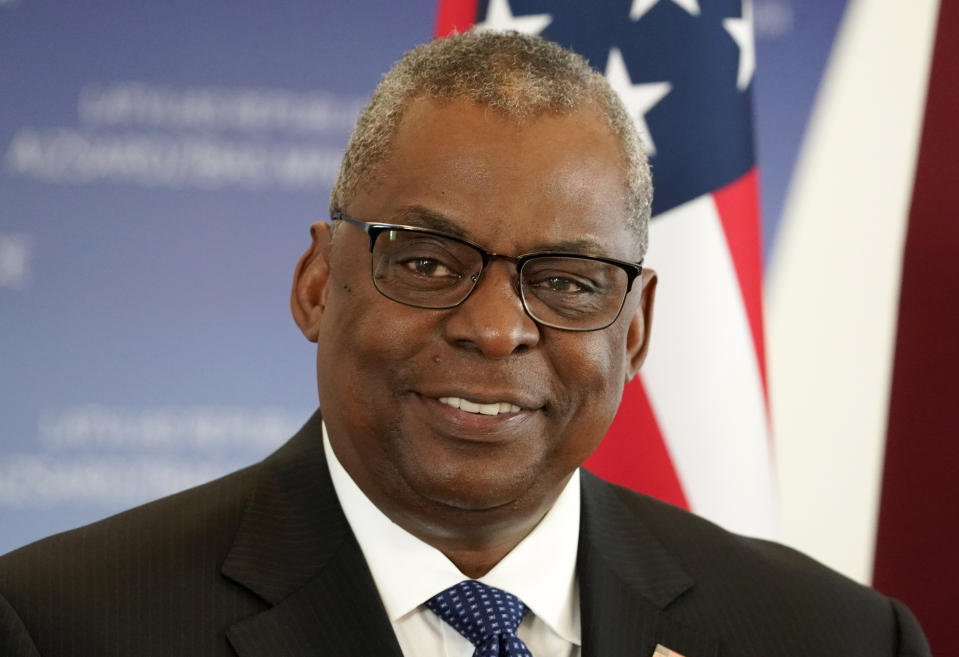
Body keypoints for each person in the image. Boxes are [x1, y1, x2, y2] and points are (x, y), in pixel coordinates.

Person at [0, 31, 929, 657]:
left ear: (636, 327)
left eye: (566, 279)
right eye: (429, 262)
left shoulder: (833, 636)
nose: (494, 329)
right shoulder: (63, 625)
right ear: (318, 283)